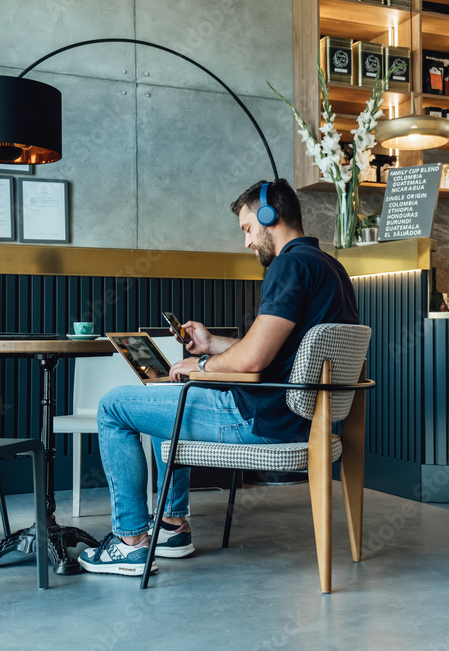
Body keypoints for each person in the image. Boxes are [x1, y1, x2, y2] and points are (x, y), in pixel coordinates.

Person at [79, 178, 360, 575]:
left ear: (269, 216)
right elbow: (275, 348)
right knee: (167, 400)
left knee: (113, 406)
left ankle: (130, 543)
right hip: (305, 421)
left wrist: (203, 366)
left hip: (260, 419)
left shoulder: (289, 264)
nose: (247, 242)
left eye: (248, 229)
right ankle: (172, 527)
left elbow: (254, 360)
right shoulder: (331, 268)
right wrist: (211, 344)